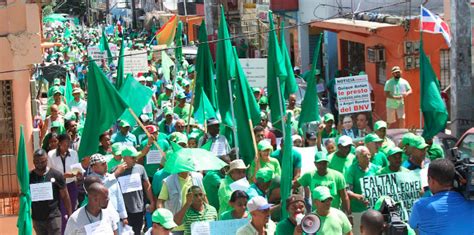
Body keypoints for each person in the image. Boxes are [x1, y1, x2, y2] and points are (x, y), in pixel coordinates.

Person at [409, 159, 474, 234]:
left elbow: (412, 225)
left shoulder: (420, 206)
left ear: (431, 180)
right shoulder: (471, 202)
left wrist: (424, 197)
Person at [30, 149, 72, 235]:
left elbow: (65, 196)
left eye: (42, 161)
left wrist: (70, 214)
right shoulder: (29, 176)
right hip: (37, 218)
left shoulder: (56, 175)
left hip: (53, 217)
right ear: (33, 161)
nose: (40, 164)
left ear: (47, 160)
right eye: (37, 162)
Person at [116, 146, 156, 235]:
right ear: (124, 158)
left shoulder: (140, 168)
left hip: (139, 209)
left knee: (137, 232)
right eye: (132, 157)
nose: (135, 159)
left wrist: (152, 202)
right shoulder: (116, 171)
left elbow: (147, 185)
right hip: (124, 212)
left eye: (135, 157)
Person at [47, 133, 80, 232]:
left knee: (71, 210)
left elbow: (76, 169)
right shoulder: (51, 154)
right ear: (59, 144)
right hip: (58, 187)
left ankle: (71, 231)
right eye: (64, 145)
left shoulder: (74, 153)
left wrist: (74, 174)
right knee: (62, 211)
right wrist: (62, 176)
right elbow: (50, 172)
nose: (67, 147)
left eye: (68, 144)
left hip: (71, 185)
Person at [345, 146, 380, 235]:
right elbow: (348, 190)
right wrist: (357, 196)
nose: (368, 157)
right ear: (357, 157)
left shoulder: (376, 169)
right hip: (357, 210)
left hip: (373, 209)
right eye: (364, 155)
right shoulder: (352, 170)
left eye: (369, 155)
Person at [88, 154, 128, 226]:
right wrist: (116, 173)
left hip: (115, 217)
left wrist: (124, 216)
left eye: (105, 163)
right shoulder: (90, 179)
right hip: (100, 219)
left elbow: (119, 197)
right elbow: (100, 187)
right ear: (94, 167)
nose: (106, 165)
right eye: (102, 164)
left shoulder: (110, 176)